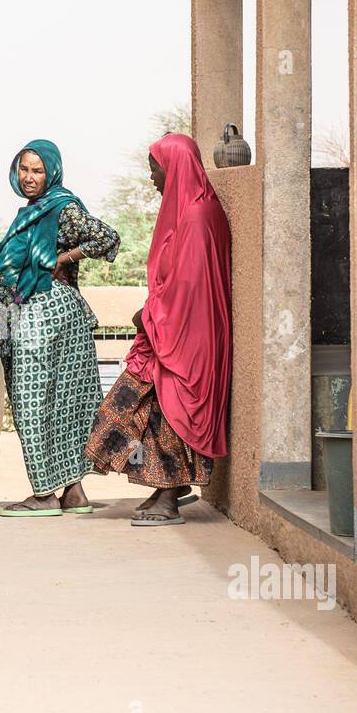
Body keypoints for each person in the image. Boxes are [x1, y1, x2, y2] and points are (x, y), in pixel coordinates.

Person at [86, 131, 231, 526]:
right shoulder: (187, 211)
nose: (152, 177)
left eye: (155, 168)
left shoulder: (199, 217)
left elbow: (191, 289)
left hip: (186, 337)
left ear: (175, 168)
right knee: (147, 413)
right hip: (165, 331)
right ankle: (166, 487)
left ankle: (169, 495)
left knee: (166, 413)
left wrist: (148, 316)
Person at [0, 142, 119, 517]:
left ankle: (45, 494)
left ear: (53, 173)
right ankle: (74, 492)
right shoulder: (33, 211)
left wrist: (61, 258)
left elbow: (107, 237)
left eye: (38, 171)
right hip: (49, 314)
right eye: (24, 170)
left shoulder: (62, 206)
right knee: (64, 401)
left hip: (46, 311)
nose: (29, 178)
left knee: (32, 401)